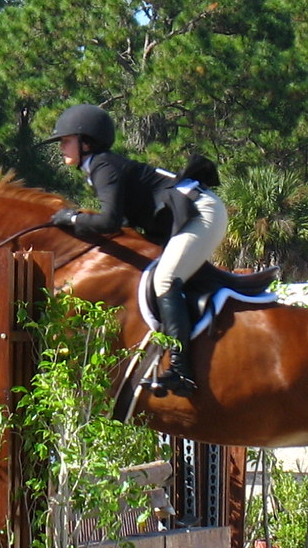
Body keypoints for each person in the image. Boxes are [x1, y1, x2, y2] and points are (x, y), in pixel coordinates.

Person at [43, 104, 228, 397]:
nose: (61, 147)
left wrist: (72, 217)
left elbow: (109, 220)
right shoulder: (100, 166)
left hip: (201, 212)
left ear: (86, 141)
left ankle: (181, 370)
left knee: (165, 279)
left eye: (66, 140)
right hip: (189, 213)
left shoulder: (103, 165)